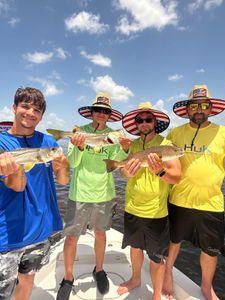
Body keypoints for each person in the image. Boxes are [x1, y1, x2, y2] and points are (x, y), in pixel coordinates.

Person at [57, 92, 131, 300]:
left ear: (109, 115)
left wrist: (125, 149)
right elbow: (72, 163)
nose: (101, 114)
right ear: (91, 113)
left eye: (105, 111)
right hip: (79, 192)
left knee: (101, 233)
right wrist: (79, 146)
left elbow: (114, 164)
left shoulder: (114, 136)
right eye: (97, 110)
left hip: (104, 194)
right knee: (72, 237)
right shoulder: (79, 133)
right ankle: (68, 277)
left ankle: (99, 270)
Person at [0, 87, 69, 300]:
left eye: (36, 110)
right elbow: (18, 186)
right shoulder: (2, 144)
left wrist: (63, 165)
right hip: (9, 233)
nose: (30, 112)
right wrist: (16, 167)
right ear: (14, 108)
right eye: (25, 106)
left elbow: (63, 180)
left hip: (40, 230)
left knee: (27, 279)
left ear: (41, 116)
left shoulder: (48, 143)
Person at [163, 85, 225, 300]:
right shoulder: (175, 133)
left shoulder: (223, 133)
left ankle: (206, 287)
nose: (200, 109)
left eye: (204, 105)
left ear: (211, 108)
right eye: (195, 105)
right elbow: (157, 154)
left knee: (210, 250)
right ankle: (167, 272)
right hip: (179, 199)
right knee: (174, 241)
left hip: (211, 202)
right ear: (187, 109)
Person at [117, 102, 181, 300]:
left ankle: (156, 295)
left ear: (155, 122)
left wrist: (159, 171)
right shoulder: (131, 145)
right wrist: (125, 171)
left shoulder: (166, 144)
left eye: (148, 119)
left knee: (156, 256)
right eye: (140, 120)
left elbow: (177, 177)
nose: (144, 123)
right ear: (136, 124)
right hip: (132, 207)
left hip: (156, 212)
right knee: (135, 248)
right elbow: (121, 171)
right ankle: (135, 279)